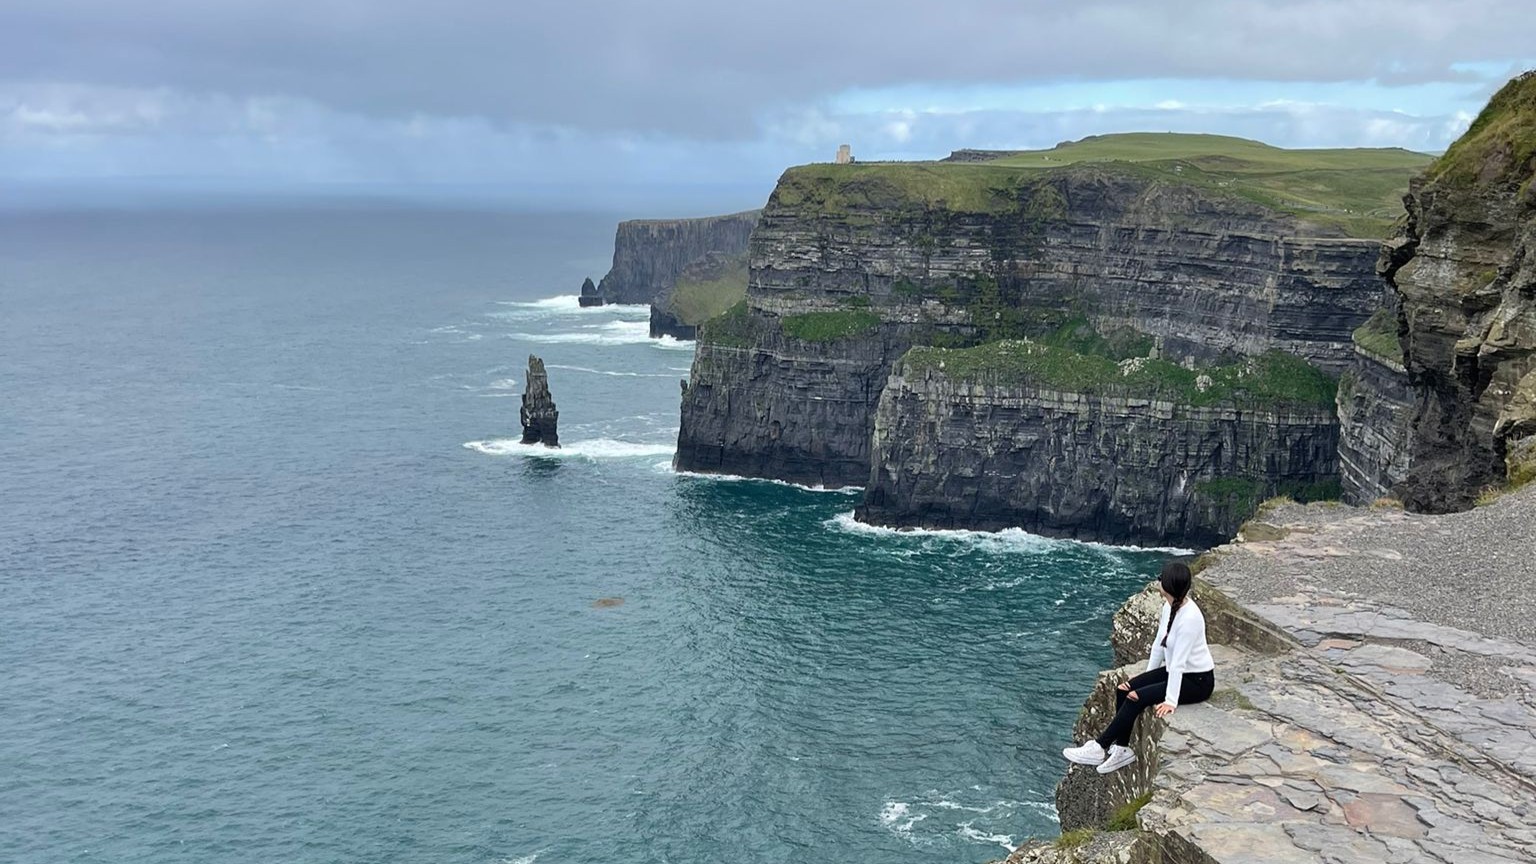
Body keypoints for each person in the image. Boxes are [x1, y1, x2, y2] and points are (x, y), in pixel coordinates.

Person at [1061, 561, 1216, 774]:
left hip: (1198, 681)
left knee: (1135, 697)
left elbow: (1179, 661)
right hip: (1176, 672)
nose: (1158, 581)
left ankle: (1099, 747)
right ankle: (1122, 750)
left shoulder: (1190, 618)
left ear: (1168, 586)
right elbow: (1159, 646)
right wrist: (1147, 677)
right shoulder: (1169, 607)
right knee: (1125, 689)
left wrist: (1171, 700)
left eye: (1161, 578)